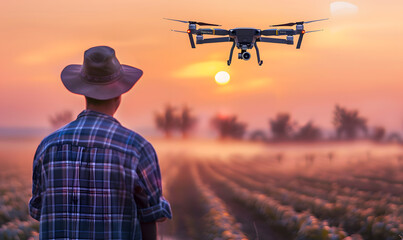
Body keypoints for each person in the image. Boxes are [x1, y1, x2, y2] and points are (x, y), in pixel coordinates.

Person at [29, 46, 172, 240]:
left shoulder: (48, 147)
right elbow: (151, 216)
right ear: (119, 94)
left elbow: (38, 210)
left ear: (83, 92)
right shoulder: (137, 148)